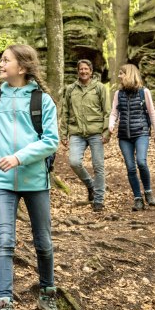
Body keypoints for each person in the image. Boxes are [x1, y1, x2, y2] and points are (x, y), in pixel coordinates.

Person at [0, 44, 60, 310]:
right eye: (0, 60)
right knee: (5, 240)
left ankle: (48, 292)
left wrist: (19, 157)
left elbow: (51, 141)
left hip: (35, 180)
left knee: (43, 241)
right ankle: (4, 306)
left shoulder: (42, 101)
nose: (0, 64)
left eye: (5, 60)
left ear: (21, 68)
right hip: (0, 182)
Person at [59, 59, 111, 211]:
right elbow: (66, 112)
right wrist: (63, 133)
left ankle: (99, 200)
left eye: (86, 69)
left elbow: (107, 111)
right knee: (74, 162)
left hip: (96, 132)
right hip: (77, 133)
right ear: (78, 71)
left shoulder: (100, 88)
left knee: (98, 166)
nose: (83, 72)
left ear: (91, 70)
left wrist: (107, 132)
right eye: (81, 69)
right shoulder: (70, 89)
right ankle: (91, 185)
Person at [109, 64, 155, 211]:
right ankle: (137, 198)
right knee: (131, 168)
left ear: (130, 74)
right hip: (124, 136)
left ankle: (148, 192)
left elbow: (152, 113)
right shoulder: (118, 94)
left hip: (141, 133)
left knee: (141, 162)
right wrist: (111, 124)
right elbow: (114, 113)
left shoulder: (144, 92)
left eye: (122, 73)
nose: (119, 76)